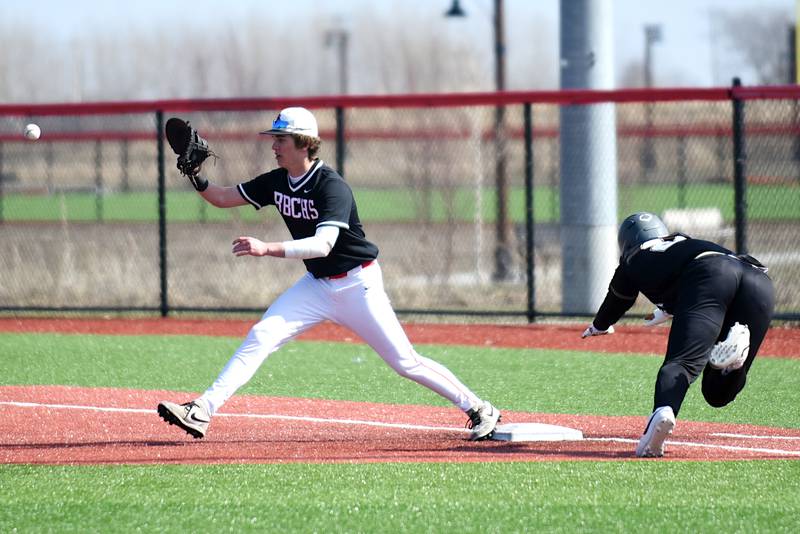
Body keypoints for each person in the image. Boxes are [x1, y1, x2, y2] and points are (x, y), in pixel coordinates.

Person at [157, 107, 501, 441]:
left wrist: (267, 247)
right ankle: (202, 409)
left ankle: (479, 408)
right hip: (317, 287)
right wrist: (195, 176)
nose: (274, 146)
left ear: (304, 143)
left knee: (404, 362)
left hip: (357, 284)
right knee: (262, 335)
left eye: (282, 140)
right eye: (275, 139)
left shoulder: (330, 186)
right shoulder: (277, 181)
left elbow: (323, 245)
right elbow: (220, 197)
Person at [581, 212, 775, 457]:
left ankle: (663, 414)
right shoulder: (681, 242)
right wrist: (666, 309)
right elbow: (688, 283)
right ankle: (732, 364)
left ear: (627, 242)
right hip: (758, 278)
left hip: (710, 274)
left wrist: (599, 325)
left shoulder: (634, 255)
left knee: (681, 363)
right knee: (717, 394)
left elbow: (618, 298)